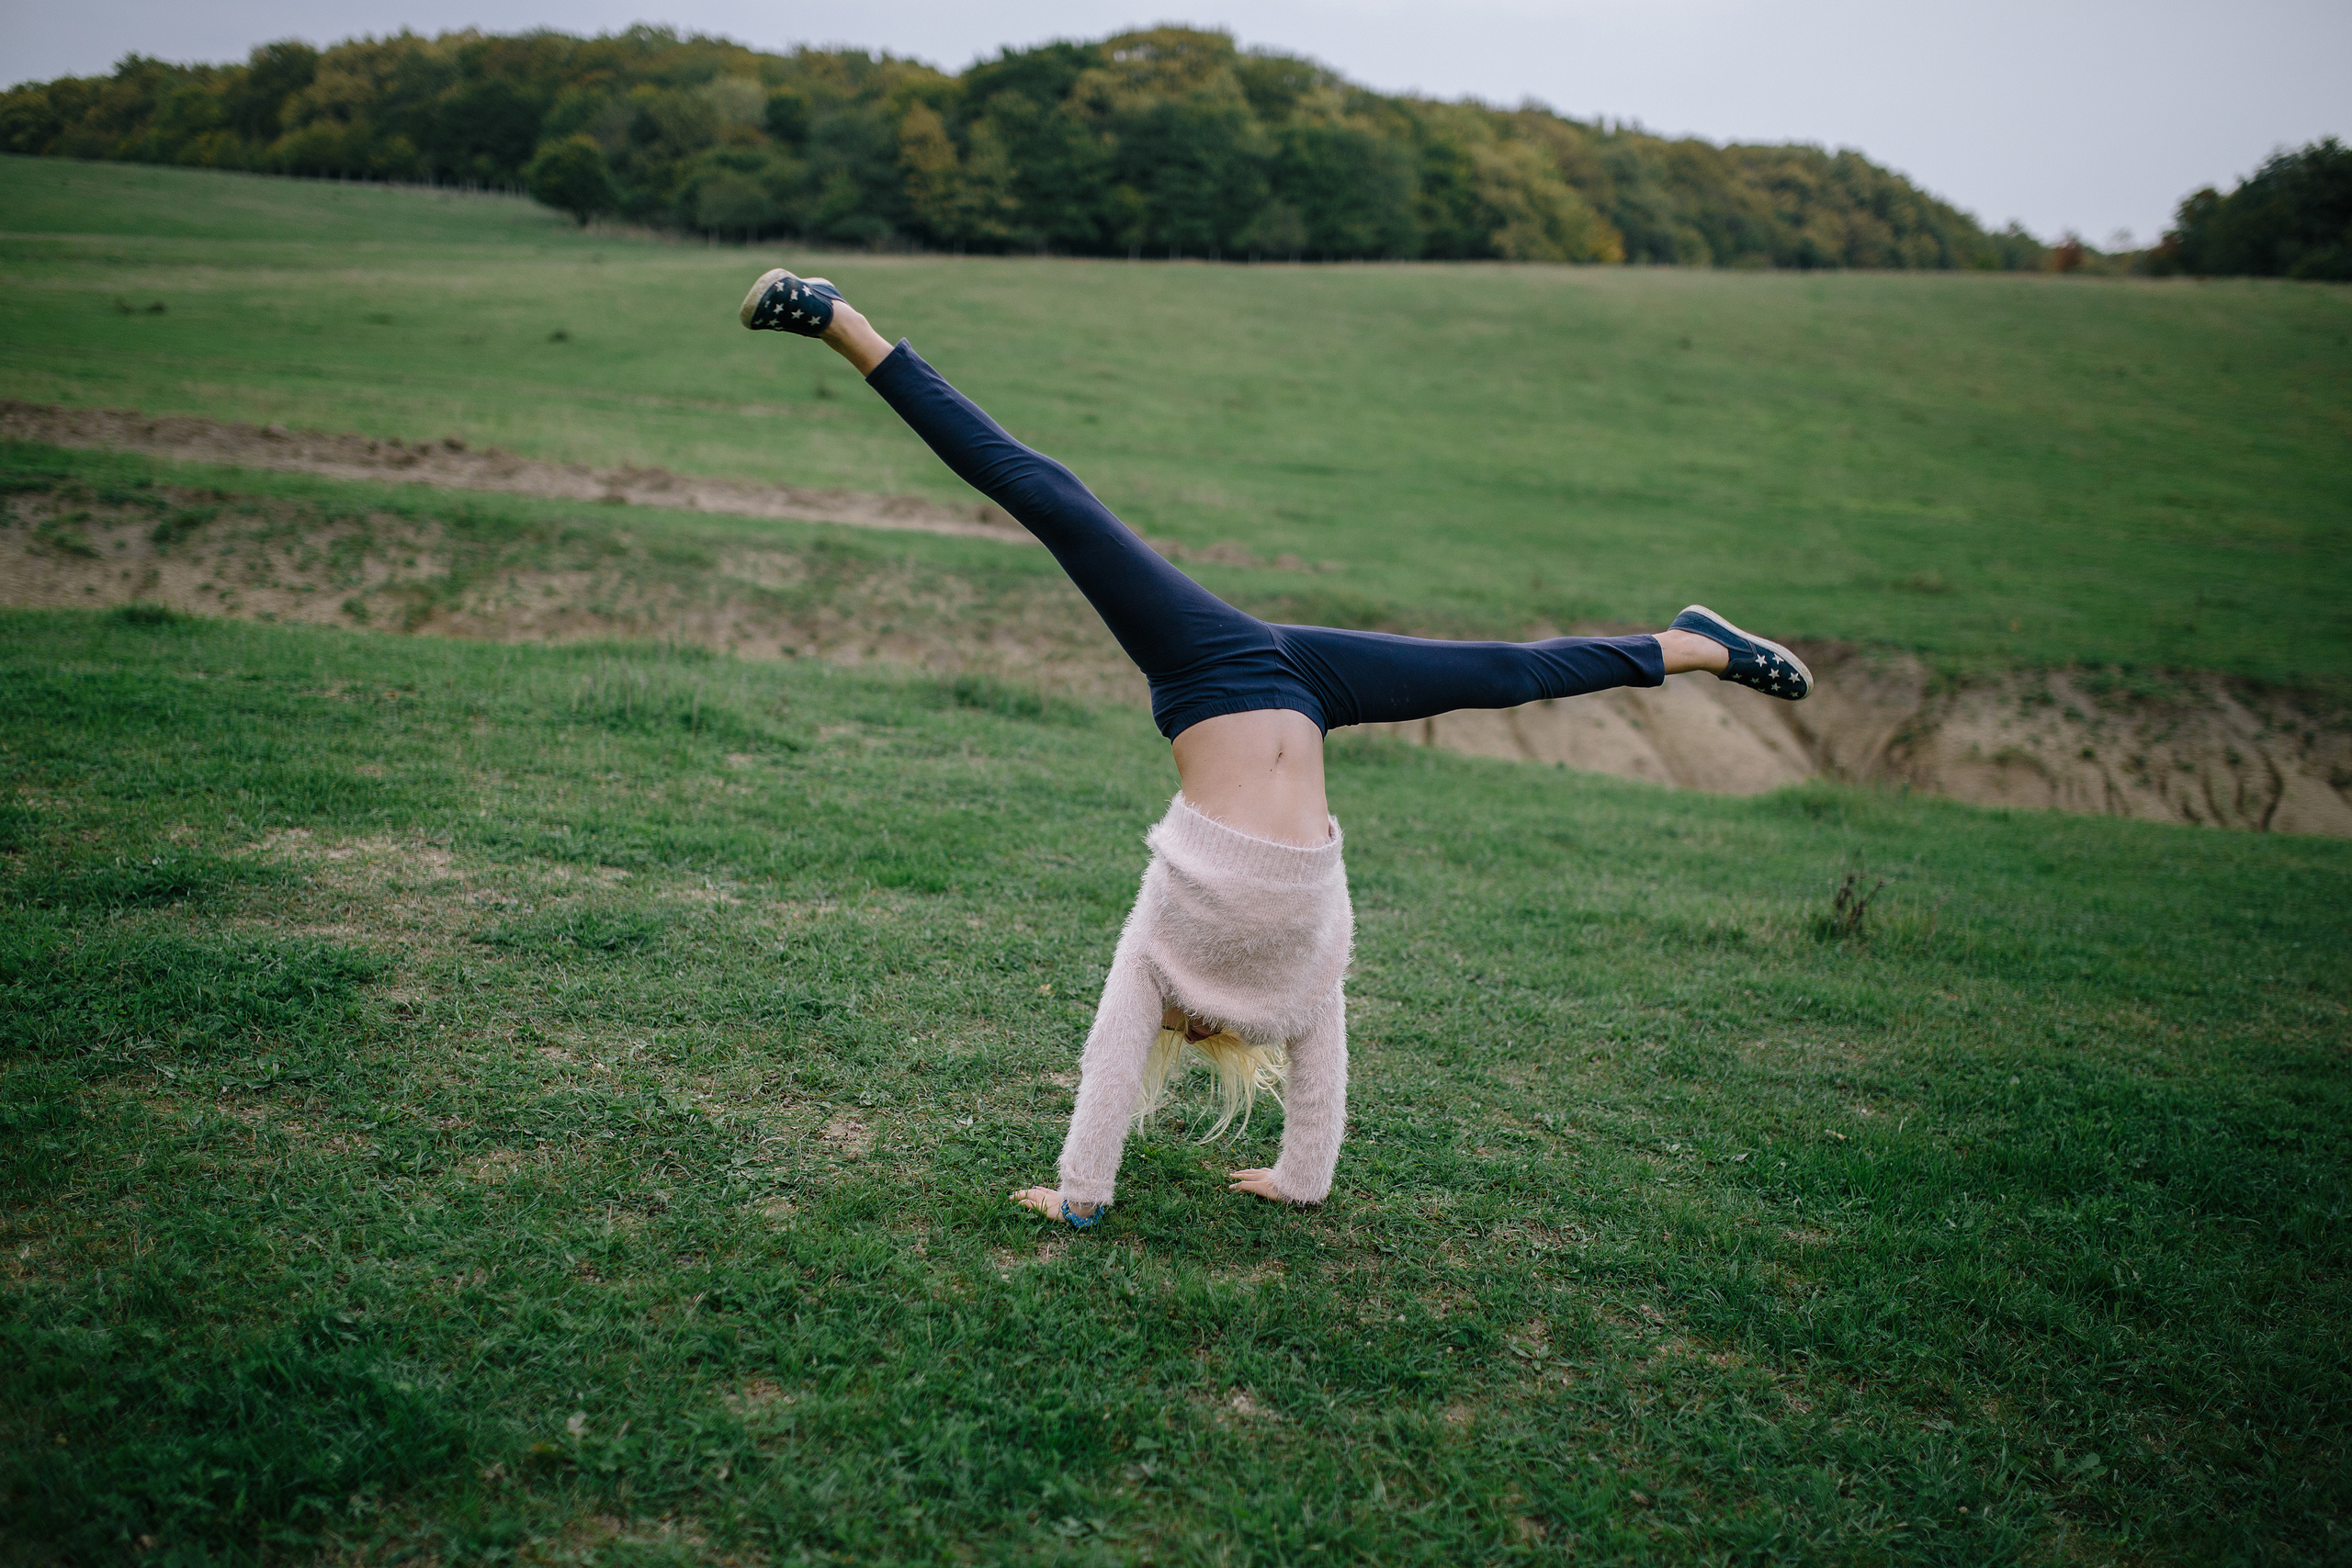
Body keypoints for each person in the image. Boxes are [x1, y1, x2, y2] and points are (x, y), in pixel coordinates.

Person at [739, 269, 1814, 1228]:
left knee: (1058, 504)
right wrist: (1157, 1186)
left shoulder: (1229, 961)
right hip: (1276, 678)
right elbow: (1169, 1070)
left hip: (1226, 675)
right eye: (1191, 1029)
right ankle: (1692, 646)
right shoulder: (1256, 967)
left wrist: (1114, 1193)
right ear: (1194, 1021)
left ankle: (843, 322)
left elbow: (1266, 1076)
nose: (1183, 1024)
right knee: (1497, 672)